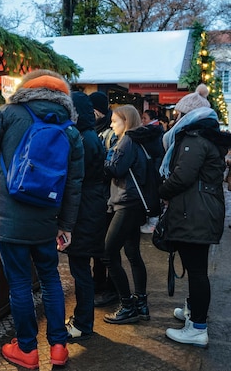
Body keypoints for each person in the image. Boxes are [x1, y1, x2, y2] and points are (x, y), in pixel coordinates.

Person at [0, 69, 84, 369]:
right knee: (51, 280)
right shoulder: (70, 130)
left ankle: (27, 349)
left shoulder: (8, 113)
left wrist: (3, 178)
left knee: (19, 283)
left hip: (8, 217)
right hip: (47, 219)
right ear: (63, 96)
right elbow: (74, 184)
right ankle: (59, 347)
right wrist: (67, 226)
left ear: (26, 89)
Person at [158, 85, 231, 348]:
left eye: (178, 113)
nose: (174, 118)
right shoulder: (205, 138)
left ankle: (197, 327)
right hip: (202, 210)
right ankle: (194, 313)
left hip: (196, 212)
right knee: (195, 269)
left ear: (189, 115)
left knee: (198, 271)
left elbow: (182, 177)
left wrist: (162, 190)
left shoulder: (194, 140)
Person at [102, 104, 151, 325]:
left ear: (126, 121)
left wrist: (104, 158)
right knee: (132, 252)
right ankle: (141, 302)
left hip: (127, 202)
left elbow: (115, 169)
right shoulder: (137, 139)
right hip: (133, 203)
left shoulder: (127, 141)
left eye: (115, 121)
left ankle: (127, 305)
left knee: (108, 253)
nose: (111, 125)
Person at [63, 91, 107, 340]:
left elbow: (76, 178)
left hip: (85, 210)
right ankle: (83, 319)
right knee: (81, 269)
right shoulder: (91, 135)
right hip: (91, 207)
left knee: (80, 269)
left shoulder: (84, 139)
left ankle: (82, 323)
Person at [89, 91, 119, 308]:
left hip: (107, 197)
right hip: (99, 196)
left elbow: (113, 165)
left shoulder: (111, 133)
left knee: (105, 246)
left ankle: (108, 287)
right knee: (97, 244)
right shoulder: (94, 130)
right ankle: (98, 282)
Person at [138, 109, 165, 233]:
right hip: (154, 168)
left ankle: (153, 222)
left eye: (145, 118)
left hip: (153, 169)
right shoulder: (156, 131)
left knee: (152, 194)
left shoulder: (151, 133)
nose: (142, 121)